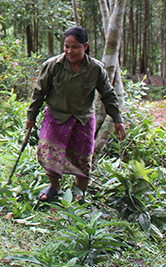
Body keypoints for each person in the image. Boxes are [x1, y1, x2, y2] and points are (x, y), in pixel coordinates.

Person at [26, 26, 126, 201]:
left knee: (82, 156)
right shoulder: (52, 66)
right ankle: (54, 187)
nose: (69, 51)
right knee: (50, 152)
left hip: (82, 119)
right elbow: (39, 92)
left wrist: (118, 120)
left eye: (75, 47)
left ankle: (80, 193)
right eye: (66, 46)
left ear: (85, 46)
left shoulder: (96, 69)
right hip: (56, 116)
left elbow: (108, 95)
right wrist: (31, 117)